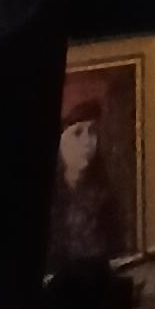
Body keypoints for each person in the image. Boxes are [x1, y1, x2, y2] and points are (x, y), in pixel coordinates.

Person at [48, 91, 127, 265]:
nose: (87, 142)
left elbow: (116, 255)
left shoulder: (106, 198)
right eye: (77, 133)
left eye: (91, 132)